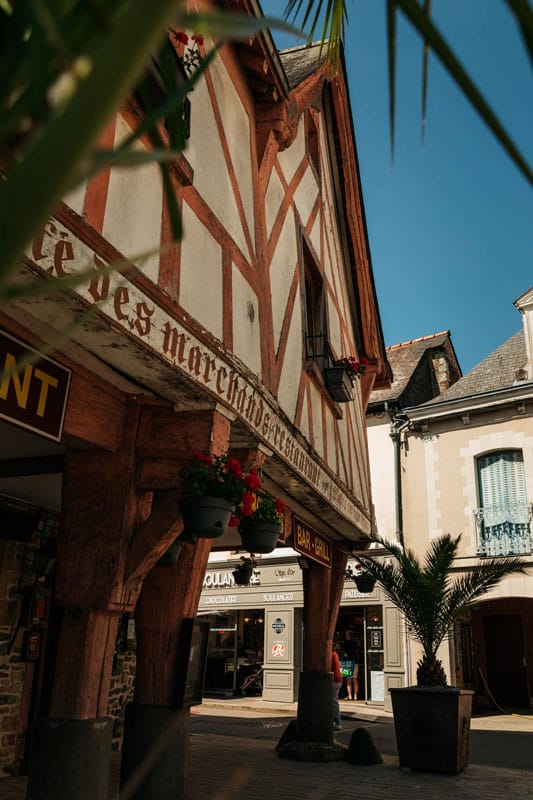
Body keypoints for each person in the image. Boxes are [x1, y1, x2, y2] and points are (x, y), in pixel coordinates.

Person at [331, 649, 343, 730]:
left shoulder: (331, 654)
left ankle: (337, 723)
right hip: (338, 679)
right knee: (333, 701)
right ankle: (334, 722)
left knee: (333, 701)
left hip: (334, 679)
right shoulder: (334, 654)